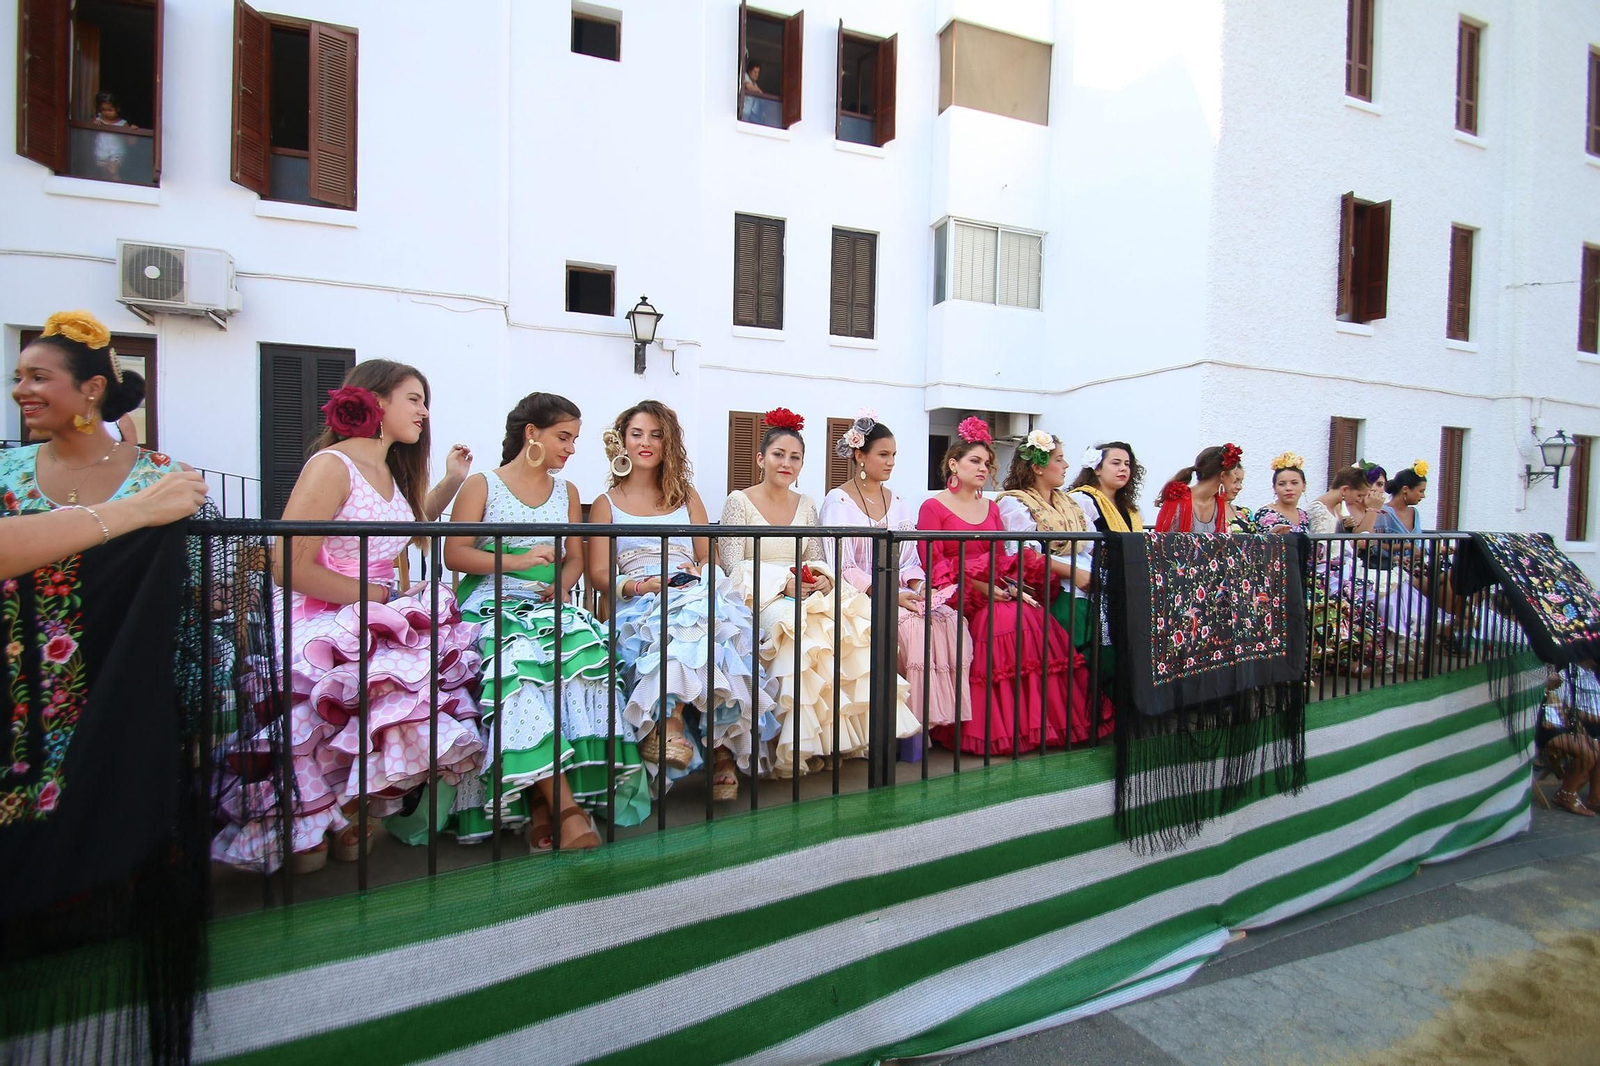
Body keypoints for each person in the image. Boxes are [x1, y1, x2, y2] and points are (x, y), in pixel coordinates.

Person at [212, 361, 484, 874]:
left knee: (410, 682)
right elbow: (286, 566)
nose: (425, 412)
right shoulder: (331, 466)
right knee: (356, 688)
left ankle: (351, 808)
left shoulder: (390, 470)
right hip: (322, 611)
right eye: (415, 399)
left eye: (426, 401)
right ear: (376, 402)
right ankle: (304, 818)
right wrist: (374, 593)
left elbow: (412, 525)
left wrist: (451, 480)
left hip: (372, 609)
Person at [443, 392, 648, 850]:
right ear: (530, 434)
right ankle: (565, 809)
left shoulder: (568, 492)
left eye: (574, 439)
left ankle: (540, 805)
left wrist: (561, 582)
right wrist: (517, 564)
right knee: (519, 667)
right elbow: (453, 552)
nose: (571, 448)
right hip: (491, 604)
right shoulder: (482, 484)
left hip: (547, 606)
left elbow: (574, 558)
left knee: (585, 657)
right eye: (563, 437)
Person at [587, 400, 776, 802]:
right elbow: (599, 574)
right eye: (637, 433)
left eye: (656, 435)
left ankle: (718, 745)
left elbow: (708, 556)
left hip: (687, 585)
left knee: (717, 626)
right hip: (638, 596)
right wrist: (647, 586)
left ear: (668, 443)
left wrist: (696, 576)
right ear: (622, 439)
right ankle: (679, 730)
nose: (646, 442)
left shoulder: (687, 496)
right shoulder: (606, 503)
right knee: (680, 623)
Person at [717, 409, 914, 776]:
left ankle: (838, 739)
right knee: (797, 631)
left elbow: (818, 556)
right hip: (760, 596)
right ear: (761, 458)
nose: (786, 463)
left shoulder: (807, 504)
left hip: (805, 590)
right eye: (778, 454)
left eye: (795, 457)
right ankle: (798, 747)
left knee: (849, 626)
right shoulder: (738, 501)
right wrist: (781, 584)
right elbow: (732, 565)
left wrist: (822, 578)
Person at [917, 418, 1110, 754]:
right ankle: (1003, 727)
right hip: (957, 593)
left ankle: (1042, 724)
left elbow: (1003, 560)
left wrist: (1011, 586)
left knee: (1033, 616)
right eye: (975, 461)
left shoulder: (991, 508)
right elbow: (934, 565)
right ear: (953, 464)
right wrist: (981, 587)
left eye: (987, 463)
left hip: (998, 591)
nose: (983, 468)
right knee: (1007, 620)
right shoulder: (932, 507)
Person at [818, 411, 971, 762]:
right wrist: (891, 593)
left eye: (894, 455)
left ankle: (923, 728)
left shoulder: (898, 501)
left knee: (946, 619)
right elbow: (842, 566)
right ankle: (896, 731)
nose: (890, 462)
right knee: (912, 628)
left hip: (898, 591)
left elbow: (909, 559)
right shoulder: (837, 501)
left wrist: (918, 586)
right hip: (857, 595)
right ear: (860, 455)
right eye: (883, 454)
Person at [996, 430, 1092, 637]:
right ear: (1037, 467)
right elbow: (1023, 556)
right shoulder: (1015, 503)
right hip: (1054, 591)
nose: (1066, 465)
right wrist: (1074, 572)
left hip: (1086, 586)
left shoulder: (1070, 503)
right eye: (1059, 459)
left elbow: (1091, 542)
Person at [1065, 440, 1145, 675]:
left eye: (1128, 464)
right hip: (1096, 586)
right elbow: (1082, 546)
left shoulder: (1129, 509)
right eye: (1116, 463)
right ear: (1097, 468)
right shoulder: (1082, 500)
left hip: (1126, 585)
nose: (1123, 469)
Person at [1305, 466, 1386, 678]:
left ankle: (1349, 656)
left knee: (1364, 597)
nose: (1360, 500)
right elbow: (1323, 549)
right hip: (1325, 572)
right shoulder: (1318, 508)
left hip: (1340, 569)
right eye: (1359, 495)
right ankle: (1344, 658)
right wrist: (1372, 512)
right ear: (1345, 489)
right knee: (1354, 600)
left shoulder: (1336, 509)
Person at [1536, 672, 1600, 817]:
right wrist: (1545, 685)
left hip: (1557, 724)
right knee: (1586, 752)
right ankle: (1566, 794)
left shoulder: (1557, 672)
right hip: (1542, 727)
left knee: (1597, 746)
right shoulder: (1536, 671)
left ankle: (1596, 797)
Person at [1153, 444, 1241, 533]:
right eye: (1234, 474)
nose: (1235, 478)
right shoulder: (1177, 499)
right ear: (1222, 476)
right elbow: (1163, 541)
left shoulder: (1219, 503)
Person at [1253, 453, 1310, 534]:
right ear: (1274, 488)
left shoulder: (1303, 515)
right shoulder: (1265, 513)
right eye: (1282, 484)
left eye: (1294, 483)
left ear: (1304, 486)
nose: (1288, 488)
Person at [91, 91, 136, 181]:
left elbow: (131, 142)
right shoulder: (98, 121)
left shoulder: (122, 124)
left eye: (110, 110)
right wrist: (93, 124)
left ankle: (121, 189)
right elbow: (89, 135)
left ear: (117, 109)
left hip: (116, 153)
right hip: (101, 152)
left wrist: (133, 131)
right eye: (103, 110)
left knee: (113, 171)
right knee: (104, 175)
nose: (106, 112)